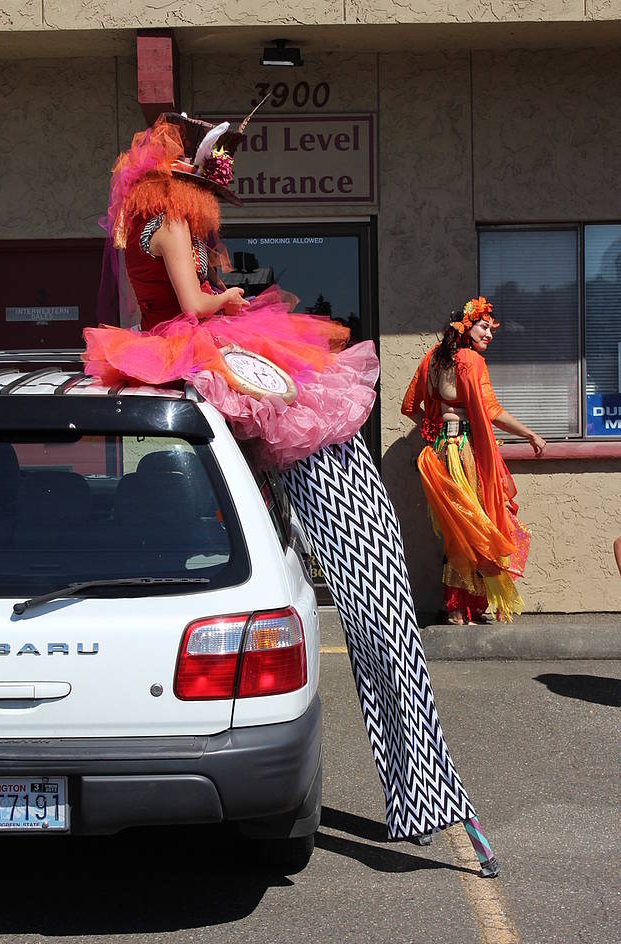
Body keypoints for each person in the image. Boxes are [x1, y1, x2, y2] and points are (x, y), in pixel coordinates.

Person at [83, 112, 501, 875]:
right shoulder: (169, 223)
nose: (218, 197)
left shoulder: (155, 225)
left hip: (187, 354)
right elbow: (191, 305)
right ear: (186, 179)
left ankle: (422, 788)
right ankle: (423, 789)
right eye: (216, 177)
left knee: (354, 553)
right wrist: (233, 300)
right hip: (198, 346)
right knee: (326, 466)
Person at [402, 297, 546, 624]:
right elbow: (493, 412)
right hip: (464, 451)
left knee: (459, 527)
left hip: (440, 451)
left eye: (491, 329)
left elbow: (410, 407)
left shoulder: (432, 359)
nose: (489, 335)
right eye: (484, 327)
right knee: (474, 525)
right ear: (467, 328)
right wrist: (530, 434)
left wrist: (432, 428)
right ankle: (461, 607)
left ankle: (458, 607)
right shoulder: (471, 360)